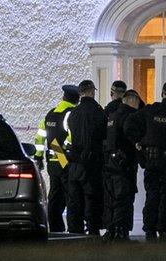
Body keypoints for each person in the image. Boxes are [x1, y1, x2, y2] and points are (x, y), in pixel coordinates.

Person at [124, 81, 166, 241]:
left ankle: (149, 230)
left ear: (162, 93)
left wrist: (139, 142)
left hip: (151, 160)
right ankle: (164, 230)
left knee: (152, 195)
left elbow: (128, 124)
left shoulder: (150, 110)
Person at [33, 84, 79, 233]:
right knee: (71, 195)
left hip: (51, 162)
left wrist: (38, 158)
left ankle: (55, 228)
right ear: (76, 100)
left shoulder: (50, 114)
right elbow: (72, 136)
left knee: (54, 196)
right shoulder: (70, 114)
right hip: (64, 160)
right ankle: (74, 229)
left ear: (63, 97)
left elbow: (40, 137)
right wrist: (65, 152)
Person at [66, 79, 108, 236]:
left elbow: (68, 137)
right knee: (92, 197)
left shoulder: (73, 113)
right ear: (91, 91)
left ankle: (74, 230)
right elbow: (104, 135)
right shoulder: (98, 112)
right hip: (92, 162)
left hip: (74, 162)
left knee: (74, 199)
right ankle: (92, 229)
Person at [102, 89, 141, 241]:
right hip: (123, 164)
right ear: (132, 101)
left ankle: (111, 230)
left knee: (112, 198)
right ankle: (121, 232)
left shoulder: (112, 116)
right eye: (137, 102)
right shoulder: (129, 116)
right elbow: (131, 134)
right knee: (123, 199)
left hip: (110, 163)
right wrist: (138, 145)